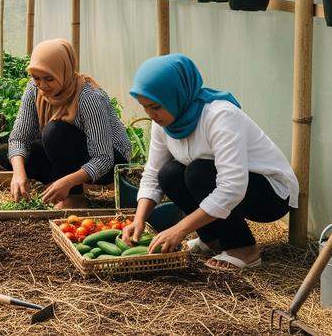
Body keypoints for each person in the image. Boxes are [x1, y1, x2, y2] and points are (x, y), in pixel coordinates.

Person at [121, 54, 299, 271]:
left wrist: (180, 229)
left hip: (270, 195)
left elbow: (232, 188)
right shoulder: (164, 124)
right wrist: (139, 219)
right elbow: (152, 173)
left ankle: (243, 248)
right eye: (145, 107)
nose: (151, 114)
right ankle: (212, 239)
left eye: (156, 106)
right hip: (227, 185)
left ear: (176, 95)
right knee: (169, 173)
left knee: (197, 173)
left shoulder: (220, 116)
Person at [0, 39, 131, 209]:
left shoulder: (89, 98)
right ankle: (58, 184)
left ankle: (74, 196)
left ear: (64, 72)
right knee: (7, 154)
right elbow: (19, 138)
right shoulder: (34, 89)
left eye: (49, 78)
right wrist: (19, 174)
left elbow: (104, 158)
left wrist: (68, 182)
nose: (42, 85)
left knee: (54, 131)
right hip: (68, 152)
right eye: (36, 78)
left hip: (111, 164)